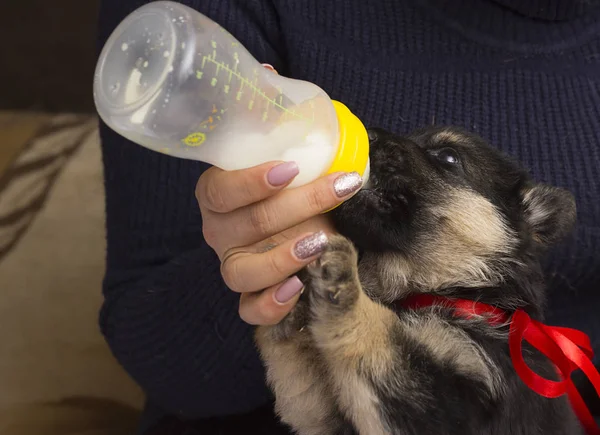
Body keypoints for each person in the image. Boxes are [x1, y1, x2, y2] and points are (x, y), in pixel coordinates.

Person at [96, 0, 600, 433]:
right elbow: (155, 335)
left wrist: (346, 317)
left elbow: (423, 411)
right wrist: (272, 283)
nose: (380, 140)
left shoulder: (494, 349)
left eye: (445, 162)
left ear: (527, 222)